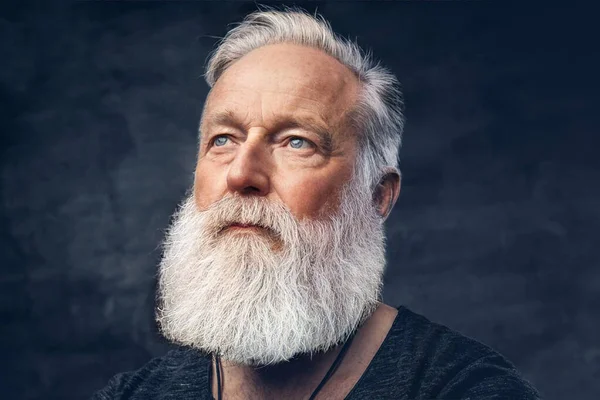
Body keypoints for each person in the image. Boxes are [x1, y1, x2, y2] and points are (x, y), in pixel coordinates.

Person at [92, 8, 540, 400]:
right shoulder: (133, 394)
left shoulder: (463, 389)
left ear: (377, 196)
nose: (242, 174)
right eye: (223, 139)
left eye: (296, 142)